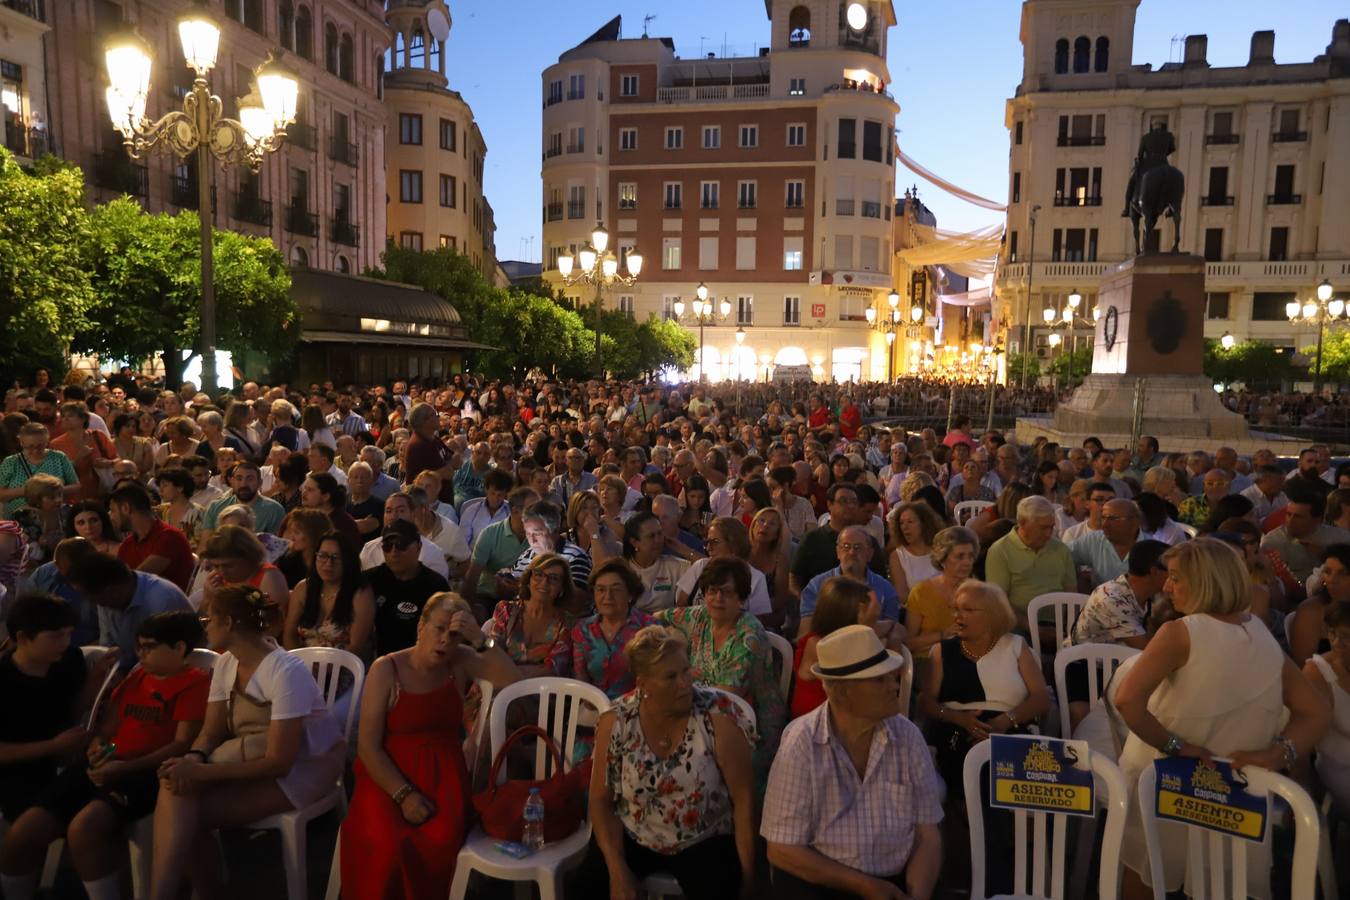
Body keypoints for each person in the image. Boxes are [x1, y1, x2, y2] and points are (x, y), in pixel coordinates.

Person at [1114, 539, 1330, 900]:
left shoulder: (1178, 633)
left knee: (1147, 874)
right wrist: (1277, 755)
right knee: (1219, 882)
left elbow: (1126, 700)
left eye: (1176, 578)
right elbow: (1317, 710)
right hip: (1234, 790)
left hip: (1165, 777)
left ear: (1206, 581)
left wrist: (1175, 746)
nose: (1167, 587)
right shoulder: (1259, 632)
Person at [148, 584, 345, 900]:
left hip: (302, 768)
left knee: (186, 814)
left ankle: (180, 893)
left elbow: (279, 763)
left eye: (209, 618)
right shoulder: (227, 663)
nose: (205, 624)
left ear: (228, 623)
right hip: (249, 757)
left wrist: (201, 773)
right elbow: (211, 732)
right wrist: (194, 759)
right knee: (177, 788)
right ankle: (171, 892)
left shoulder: (286, 672)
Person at [0, 612, 208, 900]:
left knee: (84, 828)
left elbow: (181, 744)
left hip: (146, 772)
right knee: (24, 832)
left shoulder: (194, 683)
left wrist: (124, 767)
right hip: (106, 764)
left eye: (149, 646)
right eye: (138, 646)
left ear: (179, 648)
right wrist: (98, 747)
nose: (141, 654)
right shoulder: (137, 677)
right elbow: (107, 728)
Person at [340, 591, 520, 899]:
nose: (445, 641)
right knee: (386, 843)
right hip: (387, 775)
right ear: (421, 626)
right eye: (439, 629)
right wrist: (404, 795)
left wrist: (480, 639)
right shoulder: (387, 669)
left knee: (439, 840)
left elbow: (513, 681)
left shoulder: (459, 660)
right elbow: (368, 747)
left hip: (443, 775)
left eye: (454, 635)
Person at [575, 625, 757, 898]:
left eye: (686, 671)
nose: (685, 683)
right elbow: (601, 799)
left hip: (704, 839)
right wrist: (616, 868)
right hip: (635, 833)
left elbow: (744, 799)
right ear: (643, 683)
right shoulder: (618, 721)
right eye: (670, 677)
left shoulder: (717, 717)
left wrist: (750, 877)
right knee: (585, 886)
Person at [765, 624, 942, 900]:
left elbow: (927, 836)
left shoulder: (907, 736)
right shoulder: (801, 742)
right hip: (821, 883)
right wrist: (865, 887)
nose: (894, 685)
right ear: (842, 692)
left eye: (891, 677)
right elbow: (782, 848)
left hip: (894, 881)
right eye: (879, 680)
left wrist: (915, 896)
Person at [657, 557, 786, 779]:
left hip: (746, 723)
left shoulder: (749, 636)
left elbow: (725, 697)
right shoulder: (699, 616)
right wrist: (667, 640)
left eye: (727, 592)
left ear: (741, 598)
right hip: (694, 711)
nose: (718, 599)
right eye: (712, 591)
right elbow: (653, 619)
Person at [0, 594, 92, 840]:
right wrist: (52, 747)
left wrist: (97, 680)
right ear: (21, 638)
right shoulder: (5, 679)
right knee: (32, 820)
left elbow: (72, 712)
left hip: (62, 758)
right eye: (55, 636)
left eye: (68, 634)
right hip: (17, 768)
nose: (64, 642)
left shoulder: (69, 661)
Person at [1061, 540, 1170, 731]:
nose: (1175, 578)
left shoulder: (1157, 595)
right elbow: (1147, 647)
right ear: (1154, 572)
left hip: (1123, 667)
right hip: (1085, 667)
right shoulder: (1112, 598)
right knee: (1084, 724)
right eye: (1172, 571)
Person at [792, 576, 905, 720]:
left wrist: (893, 636)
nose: (874, 624)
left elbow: (896, 626)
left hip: (849, 716)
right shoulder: (818, 645)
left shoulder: (856, 633)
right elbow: (888, 673)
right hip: (818, 724)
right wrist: (883, 638)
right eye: (872, 618)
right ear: (853, 615)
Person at [67, 552, 192, 671]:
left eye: (90, 597)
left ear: (111, 591)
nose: (91, 603)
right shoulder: (106, 600)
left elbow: (169, 659)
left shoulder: (162, 600)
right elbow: (110, 647)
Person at [555, 557, 654, 699]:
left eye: (616, 589)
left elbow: (654, 679)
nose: (608, 596)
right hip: (593, 706)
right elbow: (581, 677)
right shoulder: (583, 629)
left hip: (637, 707)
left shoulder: (649, 628)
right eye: (600, 589)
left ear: (630, 594)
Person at [984, 496, 1077, 632]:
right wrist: (1035, 629)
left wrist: (1068, 628)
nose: (1048, 533)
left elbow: (1072, 594)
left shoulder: (1060, 549)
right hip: (1019, 624)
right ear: (1022, 523)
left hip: (1058, 624)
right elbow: (1000, 602)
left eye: (1051, 527)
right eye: (1043, 528)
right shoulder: (1000, 551)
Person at [283, 532, 375, 659]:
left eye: (336, 557)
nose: (328, 563)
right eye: (323, 556)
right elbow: (289, 634)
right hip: (303, 664)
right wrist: (300, 664)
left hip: (344, 667)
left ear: (348, 560)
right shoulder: (303, 588)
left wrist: (324, 670)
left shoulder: (361, 593)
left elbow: (357, 647)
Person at [367, 520, 452, 657]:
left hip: (421, 660)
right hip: (377, 661)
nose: (394, 551)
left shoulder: (435, 585)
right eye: (388, 546)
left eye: (401, 545)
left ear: (418, 547)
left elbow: (446, 633)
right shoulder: (369, 581)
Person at [798, 526, 902, 636]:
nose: (852, 552)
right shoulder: (817, 585)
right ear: (838, 552)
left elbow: (894, 630)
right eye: (846, 547)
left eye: (858, 547)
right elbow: (806, 633)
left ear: (869, 554)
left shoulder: (885, 589)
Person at [488, 551, 574, 677]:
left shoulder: (567, 624)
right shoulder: (506, 610)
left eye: (554, 578)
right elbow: (493, 654)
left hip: (540, 693)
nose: (544, 582)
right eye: (538, 575)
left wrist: (511, 672)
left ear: (562, 588)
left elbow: (554, 670)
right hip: (497, 685)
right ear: (528, 580)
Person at [674, 517, 774, 618]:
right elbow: (681, 603)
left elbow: (759, 619)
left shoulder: (755, 578)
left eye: (715, 541)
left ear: (734, 543)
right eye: (707, 542)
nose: (709, 548)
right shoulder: (700, 566)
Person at [1305, 601, 1350, 817]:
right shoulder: (1318, 671)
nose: (1338, 643)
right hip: (1339, 774)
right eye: (1332, 634)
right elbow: (1304, 737)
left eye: (1347, 636)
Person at [905, 526, 978, 658]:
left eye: (970, 556)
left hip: (970, 659)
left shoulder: (978, 592)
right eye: (960, 556)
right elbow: (909, 643)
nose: (967, 562)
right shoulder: (921, 592)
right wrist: (944, 635)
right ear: (943, 560)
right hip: (929, 660)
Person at [196, 525, 290, 627]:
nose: (221, 571)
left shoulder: (269, 577)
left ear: (248, 557)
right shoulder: (216, 581)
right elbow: (201, 624)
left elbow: (271, 625)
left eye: (228, 566)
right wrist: (208, 599)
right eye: (216, 566)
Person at [461, 486, 537, 613]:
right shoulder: (490, 534)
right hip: (489, 597)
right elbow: (472, 577)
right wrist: (467, 610)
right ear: (515, 511)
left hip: (526, 598)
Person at [111, 482, 194, 592]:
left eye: (113, 510)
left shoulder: (169, 537)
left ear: (126, 508)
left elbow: (135, 582)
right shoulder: (127, 545)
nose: (111, 516)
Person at [1262, 492, 1350, 585]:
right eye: (1288, 514)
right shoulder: (1272, 542)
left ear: (1318, 520)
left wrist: (1325, 553)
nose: (1290, 521)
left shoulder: (1340, 539)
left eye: (1298, 517)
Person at [358, 492, 451, 578]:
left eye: (401, 511)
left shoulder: (432, 553)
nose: (393, 516)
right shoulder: (369, 550)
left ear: (413, 515)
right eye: (389, 511)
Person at [1288, 543, 1350, 666]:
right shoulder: (1311, 610)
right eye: (1328, 572)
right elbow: (1303, 664)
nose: (1333, 580)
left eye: (1342, 573)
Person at [0, 423, 78, 516]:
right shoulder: (11, 462)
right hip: (19, 520)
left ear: (47, 442)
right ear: (21, 443)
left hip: (54, 516)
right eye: (30, 447)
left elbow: (76, 486)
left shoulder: (59, 457)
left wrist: (52, 491)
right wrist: (31, 490)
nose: (35, 451)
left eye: (40, 446)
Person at [49, 402, 117, 503]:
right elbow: (56, 475)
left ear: (83, 418)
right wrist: (77, 459)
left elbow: (117, 459)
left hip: (102, 495)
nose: (65, 419)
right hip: (73, 498)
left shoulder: (98, 436)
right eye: (63, 416)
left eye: (70, 415)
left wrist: (108, 463)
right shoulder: (56, 444)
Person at [623, 511, 689, 613]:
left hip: (664, 626)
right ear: (634, 542)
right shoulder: (622, 569)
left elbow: (708, 568)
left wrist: (683, 550)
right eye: (651, 536)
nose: (658, 540)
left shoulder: (674, 566)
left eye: (660, 533)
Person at [1068, 498, 1141, 589]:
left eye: (1112, 519)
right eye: (1103, 517)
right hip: (1099, 602)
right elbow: (1063, 556)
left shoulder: (1152, 548)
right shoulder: (1094, 540)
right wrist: (1080, 582)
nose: (1105, 524)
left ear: (1134, 523)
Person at [201, 462, 285, 536]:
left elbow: (277, 550)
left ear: (260, 483)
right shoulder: (215, 507)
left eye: (250, 479)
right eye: (239, 478)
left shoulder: (275, 510)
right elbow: (205, 545)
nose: (243, 484)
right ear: (232, 481)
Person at [888, 501, 943, 605]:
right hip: (914, 611)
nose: (905, 527)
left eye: (910, 522)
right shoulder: (897, 556)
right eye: (901, 523)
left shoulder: (941, 550)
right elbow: (902, 596)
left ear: (924, 523)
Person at [154, 468, 204, 549]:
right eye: (159, 486)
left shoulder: (198, 513)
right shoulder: (160, 511)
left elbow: (200, 546)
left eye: (165, 485)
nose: (161, 490)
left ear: (180, 487)